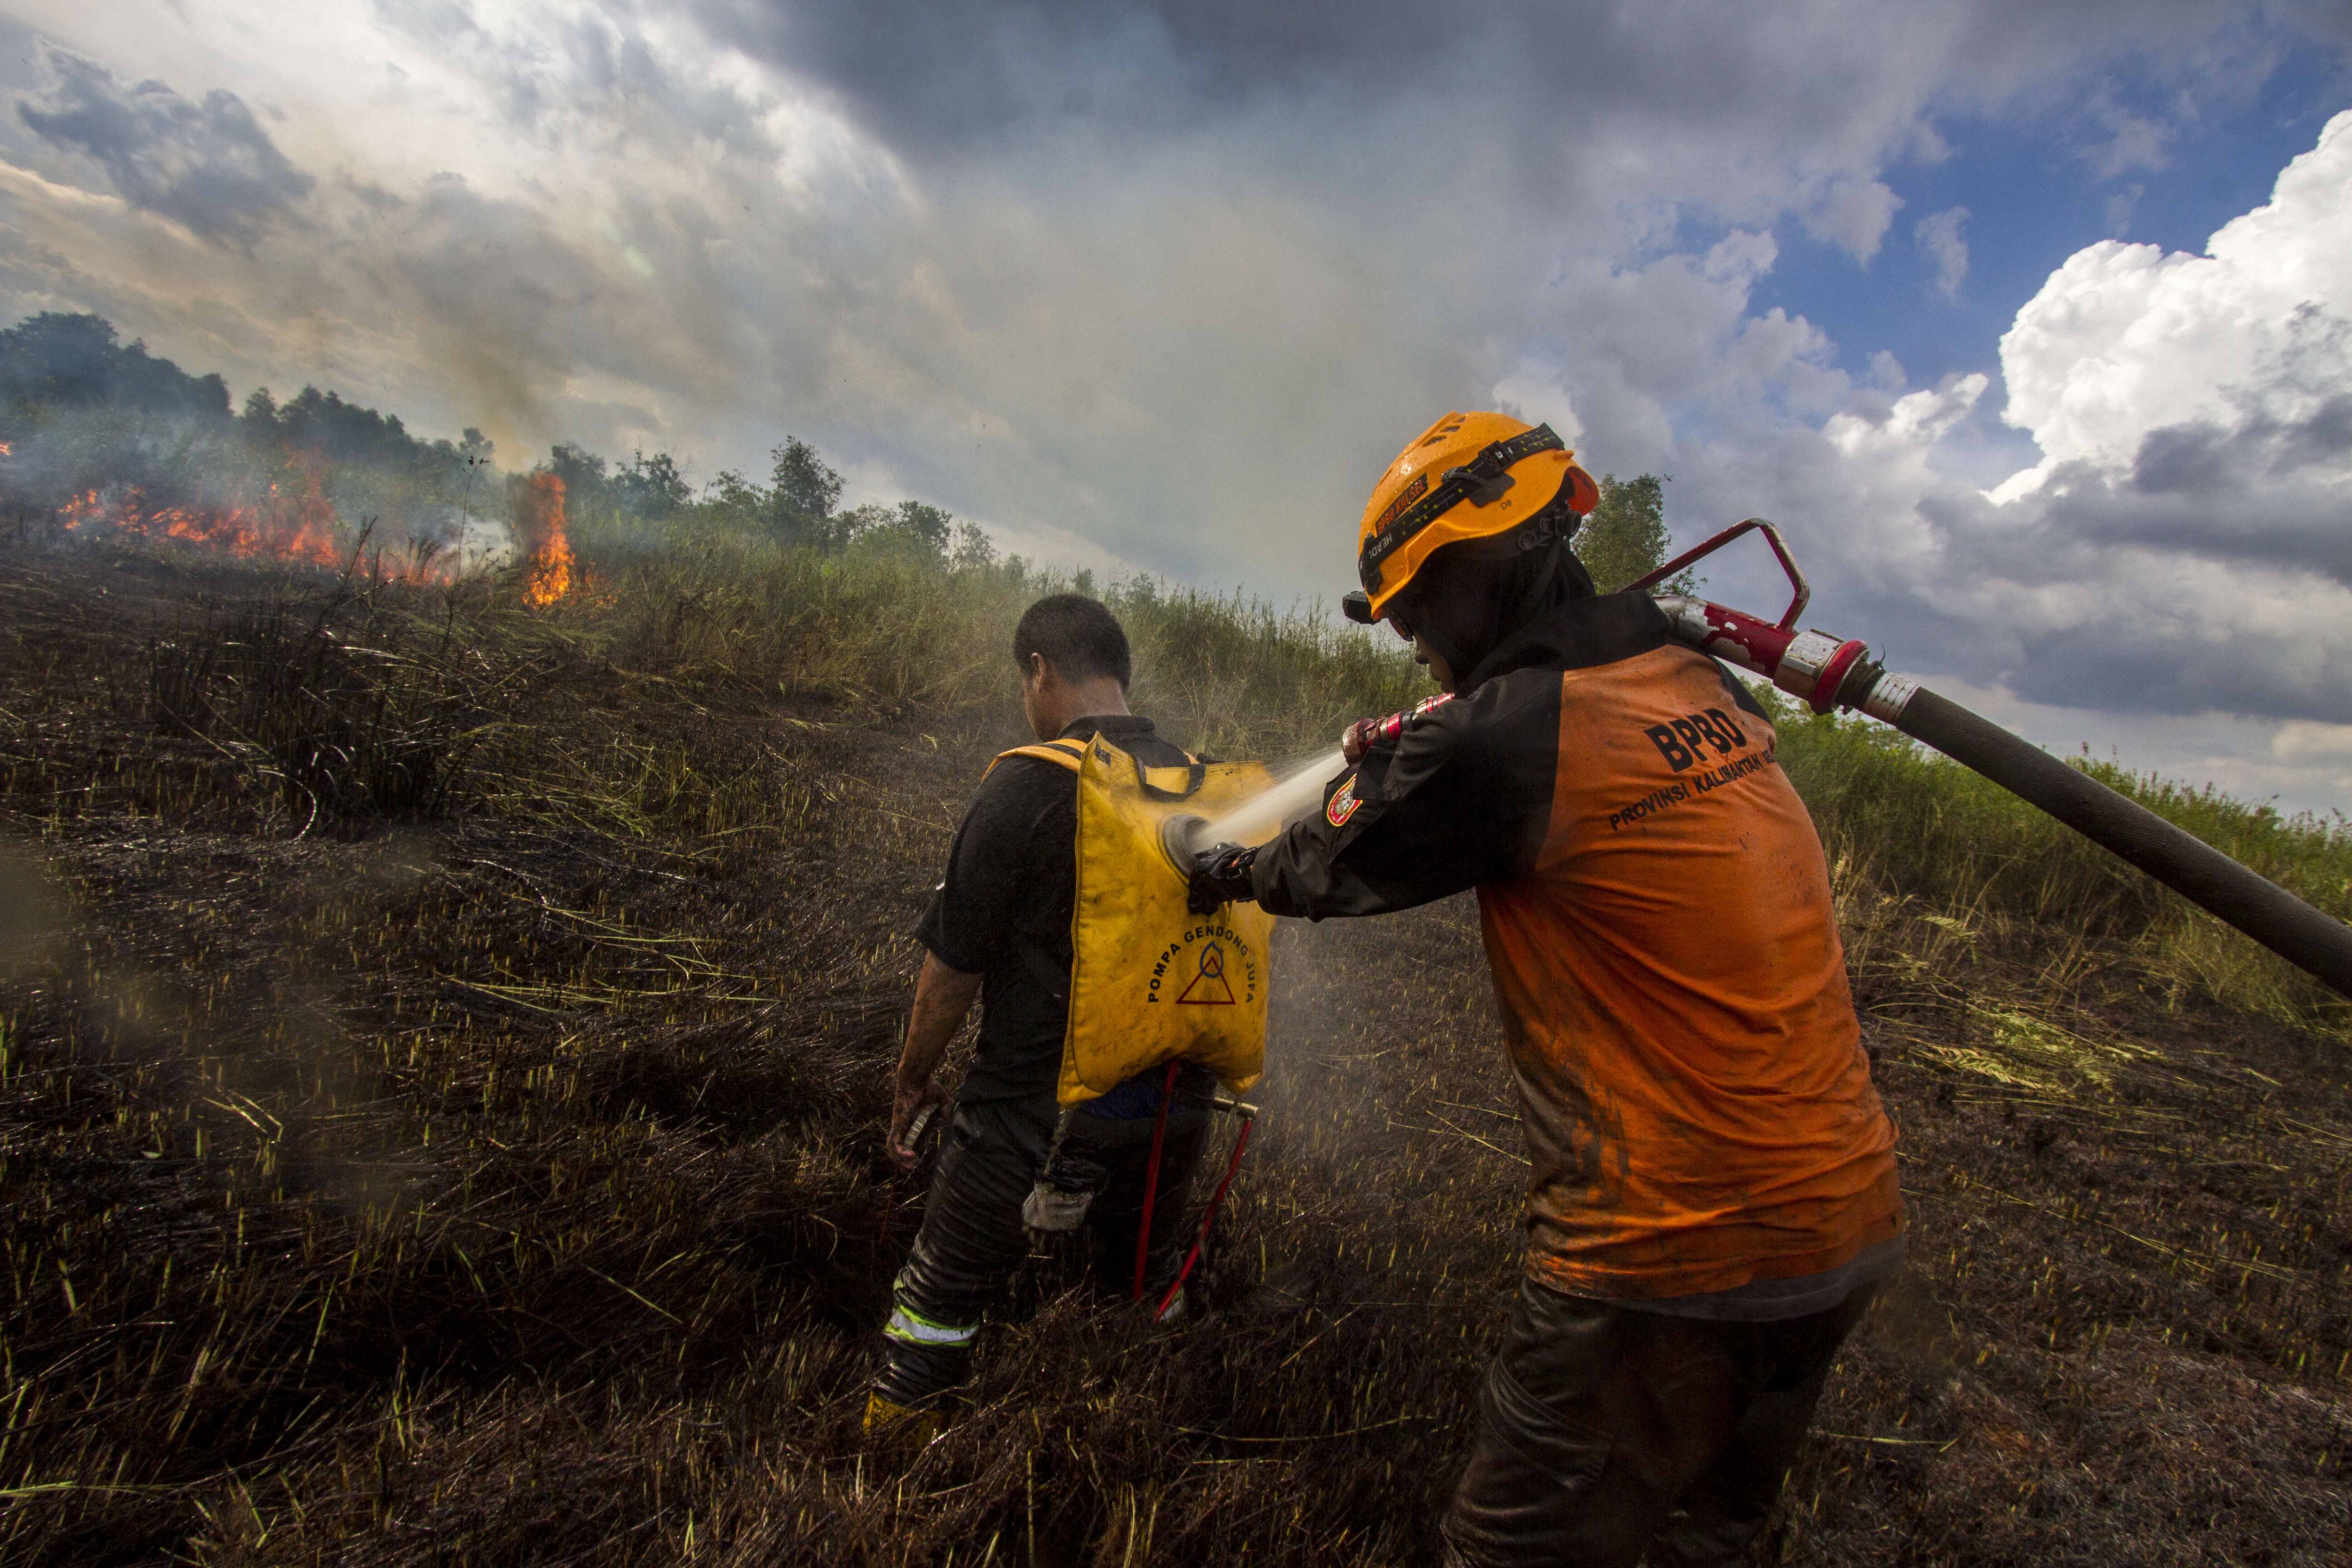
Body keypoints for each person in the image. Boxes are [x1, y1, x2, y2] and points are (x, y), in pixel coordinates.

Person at [1188, 412, 1902, 1568]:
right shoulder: (1696, 681)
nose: (1412, 636)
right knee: (1706, 1538)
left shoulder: (1504, 731)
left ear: (1494, 562)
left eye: (1421, 602)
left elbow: (1322, 864)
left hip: (1669, 1250)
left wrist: (1215, 861)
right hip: (1845, 1221)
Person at [868, 593, 1215, 1440]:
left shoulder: (1026, 785)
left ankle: (893, 1443)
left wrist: (913, 1076)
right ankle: (1145, 1437)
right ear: (1122, 677)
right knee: (1146, 1285)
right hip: (1170, 1105)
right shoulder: (1194, 783)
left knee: (937, 1309)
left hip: (1031, 1108)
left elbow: (953, 970)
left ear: (1040, 671)